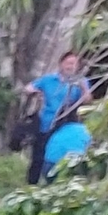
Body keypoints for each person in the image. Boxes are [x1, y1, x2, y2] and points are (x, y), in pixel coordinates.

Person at [25, 47, 88, 184]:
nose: (71, 66)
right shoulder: (49, 79)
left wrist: (82, 87)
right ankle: (31, 186)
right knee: (38, 157)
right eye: (68, 63)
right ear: (61, 64)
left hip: (65, 126)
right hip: (46, 124)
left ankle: (56, 185)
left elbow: (88, 99)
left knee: (59, 157)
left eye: (74, 64)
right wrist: (36, 92)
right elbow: (28, 88)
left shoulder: (80, 81)